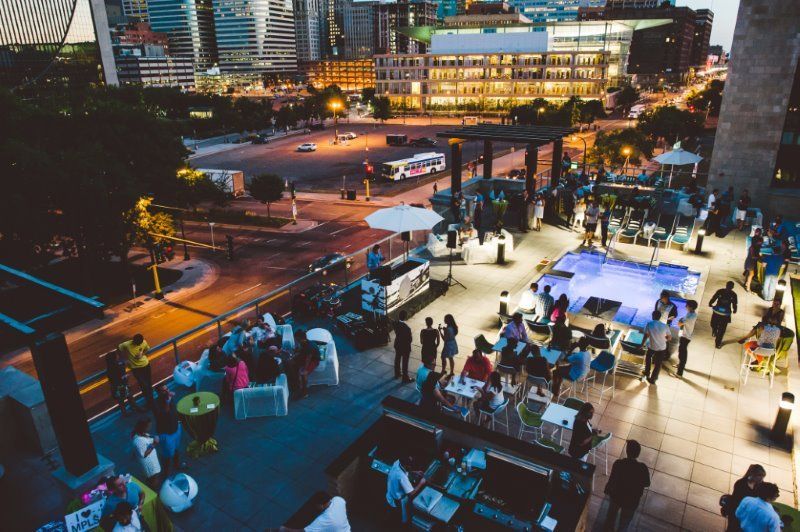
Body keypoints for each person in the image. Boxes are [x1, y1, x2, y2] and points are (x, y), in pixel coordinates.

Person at [603, 440, 651, 531]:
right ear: (638, 453)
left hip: (616, 496)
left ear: (627, 451)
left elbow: (612, 479)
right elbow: (647, 483)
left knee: (611, 518)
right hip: (632, 501)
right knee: (624, 523)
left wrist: (607, 490)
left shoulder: (618, 463)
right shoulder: (642, 468)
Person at [724, 464, 767, 531]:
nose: (761, 479)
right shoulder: (740, 484)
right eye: (759, 476)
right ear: (752, 474)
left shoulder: (760, 485)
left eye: (762, 477)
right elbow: (736, 501)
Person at [280, 492, 351, 532]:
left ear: (320, 505)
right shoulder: (338, 499)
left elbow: (302, 531)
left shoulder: (323, 520)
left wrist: (284, 529)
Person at [386, 456, 427, 524]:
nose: (411, 467)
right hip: (398, 501)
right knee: (401, 519)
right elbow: (411, 494)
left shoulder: (397, 462)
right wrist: (421, 483)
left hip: (390, 493)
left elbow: (405, 470)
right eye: (410, 466)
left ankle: (392, 517)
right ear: (405, 465)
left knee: (392, 512)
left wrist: (414, 472)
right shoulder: (402, 477)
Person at [153, 384, 182, 477]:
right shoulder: (156, 404)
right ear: (158, 393)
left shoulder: (169, 398)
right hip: (166, 434)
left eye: (167, 389)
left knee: (177, 449)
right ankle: (166, 473)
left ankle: (177, 465)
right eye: (163, 391)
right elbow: (164, 415)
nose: (167, 392)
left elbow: (174, 411)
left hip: (176, 429)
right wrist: (167, 401)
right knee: (167, 455)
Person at [118, 334, 153, 409]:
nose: (139, 344)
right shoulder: (127, 344)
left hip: (146, 365)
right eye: (137, 343)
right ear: (133, 341)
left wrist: (142, 354)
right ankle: (149, 401)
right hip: (136, 368)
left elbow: (147, 349)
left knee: (149, 384)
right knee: (143, 385)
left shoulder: (144, 342)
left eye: (140, 343)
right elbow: (119, 347)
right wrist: (124, 359)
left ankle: (150, 401)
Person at [105, 350, 137, 415]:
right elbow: (121, 375)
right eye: (116, 355)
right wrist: (126, 376)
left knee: (121, 400)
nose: (118, 356)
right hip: (122, 385)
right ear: (114, 358)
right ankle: (134, 407)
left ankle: (125, 412)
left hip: (116, 386)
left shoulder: (110, 367)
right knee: (129, 396)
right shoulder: (117, 365)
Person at [131, 417, 161, 486]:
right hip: (150, 465)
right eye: (149, 426)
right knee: (154, 478)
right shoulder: (138, 441)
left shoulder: (141, 433)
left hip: (151, 461)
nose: (150, 427)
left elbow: (147, 437)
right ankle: (153, 489)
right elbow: (143, 454)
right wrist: (154, 444)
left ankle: (151, 484)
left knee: (152, 478)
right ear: (143, 427)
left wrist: (153, 436)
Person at [643, 310, 671, 384]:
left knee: (648, 358)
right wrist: (664, 339)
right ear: (659, 317)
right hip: (662, 347)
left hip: (652, 347)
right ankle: (653, 379)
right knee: (658, 364)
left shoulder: (649, 324)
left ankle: (647, 372)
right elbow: (669, 338)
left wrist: (641, 344)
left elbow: (646, 335)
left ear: (653, 316)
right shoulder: (665, 325)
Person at [710, 281, 738, 348]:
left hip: (725, 314)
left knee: (722, 329)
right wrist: (710, 303)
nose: (729, 288)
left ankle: (718, 343)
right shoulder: (720, 291)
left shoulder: (733, 295)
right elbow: (714, 297)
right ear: (726, 285)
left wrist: (735, 309)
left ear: (732, 287)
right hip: (717, 311)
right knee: (713, 323)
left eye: (730, 287)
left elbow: (734, 304)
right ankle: (714, 329)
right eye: (728, 286)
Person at [295, 330, 319, 399]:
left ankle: (304, 392)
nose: (297, 341)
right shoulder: (303, 342)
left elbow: (308, 359)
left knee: (303, 374)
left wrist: (305, 369)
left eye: (298, 339)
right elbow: (300, 349)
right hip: (306, 357)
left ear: (302, 338)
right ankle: (298, 384)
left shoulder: (310, 346)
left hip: (314, 361)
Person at [676, 300, 698, 377]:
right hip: (685, 334)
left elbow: (679, 323)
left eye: (687, 305)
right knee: (681, 351)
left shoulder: (690, 317)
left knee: (682, 353)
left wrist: (680, 320)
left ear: (691, 307)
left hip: (685, 336)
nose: (685, 307)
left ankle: (679, 373)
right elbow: (682, 320)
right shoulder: (693, 314)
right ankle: (680, 365)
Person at [393, 310, 413, 383]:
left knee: (397, 359)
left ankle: (397, 373)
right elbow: (410, 339)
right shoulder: (407, 328)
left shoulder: (395, 323)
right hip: (405, 347)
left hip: (398, 344)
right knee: (405, 362)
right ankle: (405, 377)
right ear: (405, 317)